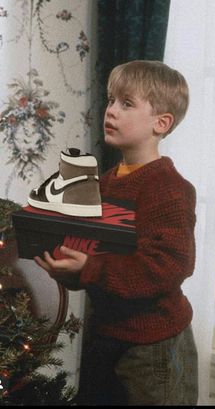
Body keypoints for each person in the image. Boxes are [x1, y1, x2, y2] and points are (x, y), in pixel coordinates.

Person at [34, 60, 198, 406]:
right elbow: (97, 257)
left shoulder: (168, 188)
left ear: (162, 122)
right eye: (111, 100)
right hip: (105, 337)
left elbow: (167, 267)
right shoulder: (104, 182)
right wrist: (70, 270)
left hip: (152, 346)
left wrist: (89, 269)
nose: (111, 111)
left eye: (127, 103)